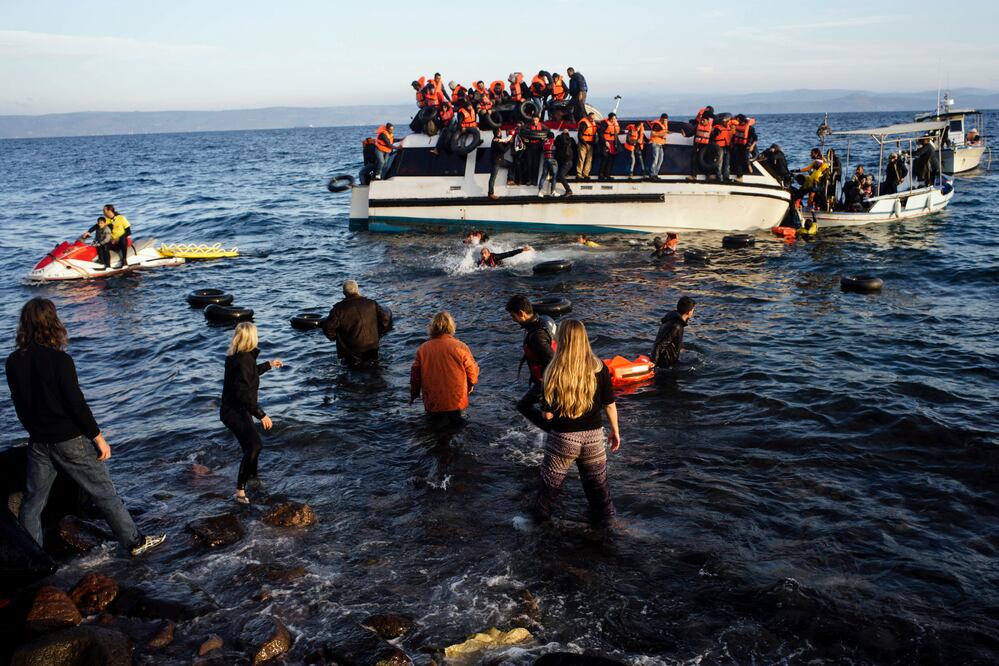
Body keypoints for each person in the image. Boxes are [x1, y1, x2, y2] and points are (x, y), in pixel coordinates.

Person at [6, 297, 166, 556]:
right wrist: (98, 437)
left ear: (25, 325)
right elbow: (76, 404)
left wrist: (34, 431)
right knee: (104, 493)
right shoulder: (60, 360)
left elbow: (19, 404)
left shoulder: (13, 361)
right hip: (69, 440)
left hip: (38, 442)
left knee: (32, 503)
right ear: (52, 323)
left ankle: (33, 557)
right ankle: (135, 543)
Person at [533, 319, 619, 524]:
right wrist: (615, 431)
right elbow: (609, 404)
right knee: (600, 496)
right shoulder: (599, 367)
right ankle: (607, 535)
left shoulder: (552, 370)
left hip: (563, 438)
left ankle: (537, 535)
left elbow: (547, 416)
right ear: (584, 338)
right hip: (593, 439)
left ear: (561, 339)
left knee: (547, 495)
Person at [220, 323, 282, 504]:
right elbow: (243, 393)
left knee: (251, 446)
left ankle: (253, 479)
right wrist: (261, 414)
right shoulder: (244, 359)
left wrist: (269, 365)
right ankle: (240, 491)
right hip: (235, 410)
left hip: (233, 409)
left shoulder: (237, 356)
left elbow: (249, 375)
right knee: (254, 446)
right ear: (251, 338)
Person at [410, 312, 479, 430]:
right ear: (451, 327)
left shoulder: (423, 349)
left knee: (435, 431)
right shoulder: (460, 346)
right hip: (455, 399)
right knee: (457, 429)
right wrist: (471, 383)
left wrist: (414, 394)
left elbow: (415, 376)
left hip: (433, 400)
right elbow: (472, 370)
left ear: (432, 328)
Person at [505, 295, 556, 431]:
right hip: (553, 376)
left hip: (548, 379)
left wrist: (547, 400)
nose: (513, 320)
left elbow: (551, 365)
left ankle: (552, 431)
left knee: (523, 406)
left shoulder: (536, 337)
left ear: (521, 314)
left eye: (513, 316)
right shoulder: (545, 319)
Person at [322, 279, 393, 366]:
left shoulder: (338, 309)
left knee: (353, 373)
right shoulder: (371, 303)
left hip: (351, 349)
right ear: (357, 289)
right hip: (372, 346)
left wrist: (335, 337)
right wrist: (379, 333)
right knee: (375, 369)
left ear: (344, 293)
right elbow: (385, 319)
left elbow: (327, 327)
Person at [651, 296, 695, 369]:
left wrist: (679, 348)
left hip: (669, 361)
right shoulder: (676, 325)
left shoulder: (672, 319)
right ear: (689, 312)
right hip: (666, 365)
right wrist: (653, 366)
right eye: (693, 310)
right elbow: (659, 345)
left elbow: (670, 340)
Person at [688, 109, 714, 181]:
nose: (702, 121)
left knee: (707, 160)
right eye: (701, 120)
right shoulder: (697, 126)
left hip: (706, 147)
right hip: (697, 146)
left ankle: (708, 175)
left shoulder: (711, 128)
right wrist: (685, 135)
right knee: (694, 159)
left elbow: (712, 138)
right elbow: (691, 133)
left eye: (704, 120)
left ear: (707, 121)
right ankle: (693, 175)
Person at [488, 129, 511, 199]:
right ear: (498, 133)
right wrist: (510, 143)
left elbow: (503, 143)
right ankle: (490, 193)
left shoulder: (497, 140)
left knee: (512, 165)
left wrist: (508, 141)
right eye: (500, 131)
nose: (501, 132)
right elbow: (503, 150)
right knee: (493, 178)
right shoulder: (496, 142)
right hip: (497, 162)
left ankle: (510, 179)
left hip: (501, 160)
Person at [597, 113, 621, 181]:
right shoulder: (605, 124)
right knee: (604, 158)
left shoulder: (615, 124)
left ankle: (607, 174)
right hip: (606, 143)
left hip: (613, 143)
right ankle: (601, 175)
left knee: (610, 159)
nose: (614, 120)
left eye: (615, 119)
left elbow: (616, 132)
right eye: (613, 119)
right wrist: (605, 142)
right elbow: (601, 133)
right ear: (609, 118)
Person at [554, 128, 576, 196]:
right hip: (567, 161)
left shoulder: (564, 141)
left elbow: (559, 141)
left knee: (561, 175)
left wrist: (563, 134)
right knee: (560, 175)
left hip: (567, 162)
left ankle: (568, 190)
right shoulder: (570, 141)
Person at [646, 113, 669, 180]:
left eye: (666, 120)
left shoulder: (664, 124)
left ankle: (655, 174)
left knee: (660, 160)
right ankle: (652, 175)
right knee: (655, 160)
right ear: (661, 118)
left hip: (660, 144)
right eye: (664, 120)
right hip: (655, 143)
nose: (665, 121)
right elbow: (653, 133)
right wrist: (660, 135)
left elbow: (663, 131)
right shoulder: (657, 124)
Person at [575, 111, 597, 180]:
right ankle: (579, 174)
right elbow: (580, 135)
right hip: (583, 143)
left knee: (589, 159)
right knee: (581, 158)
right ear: (588, 117)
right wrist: (585, 144)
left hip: (591, 144)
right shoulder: (584, 123)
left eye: (593, 118)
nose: (592, 120)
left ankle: (586, 174)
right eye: (591, 118)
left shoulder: (593, 123)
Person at [710, 117, 732, 182]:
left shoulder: (728, 128)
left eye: (726, 121)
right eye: (724, 121)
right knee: (719, 164)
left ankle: (726, 177)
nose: (725, 123)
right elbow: (714, 135)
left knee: (727, 164)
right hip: (719, 148)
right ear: (721, 122)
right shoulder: (717, 128)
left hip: (727, 148)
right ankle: (719, 178)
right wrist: (715, 133)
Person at [538, 131, 559, 197]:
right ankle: (552, 191)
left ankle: (540, 191)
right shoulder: (554, 141)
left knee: (543, 176)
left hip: (545, 160)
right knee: (554, 175)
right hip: (552, 159)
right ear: (553, 136)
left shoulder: (544, 142)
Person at [508, 121, 527, 186]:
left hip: (521, 153)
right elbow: (512, 141)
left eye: (519, 127)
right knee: (515, 166)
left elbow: (524, 143)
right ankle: (515, 180)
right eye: (517, 126)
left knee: (520, 167)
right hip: (515, 153)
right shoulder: (514, 134)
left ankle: (520, 180)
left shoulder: (523, 134)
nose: (518, 128)